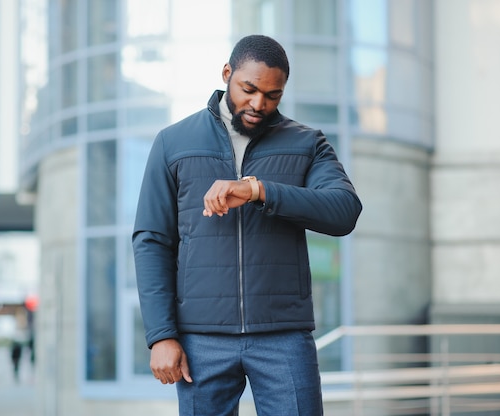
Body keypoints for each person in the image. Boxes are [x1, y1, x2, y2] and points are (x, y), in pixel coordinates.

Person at [133, 34, 362, 415]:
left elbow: (344, 210)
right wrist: (161, 335)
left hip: (284, 336)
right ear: (227, 74)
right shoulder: (173, 143)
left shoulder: (306, 143)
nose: (259, 104)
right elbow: (152, 241)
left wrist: (260, 190)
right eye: (249, 89)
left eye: (273, 95)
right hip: (201, 339)